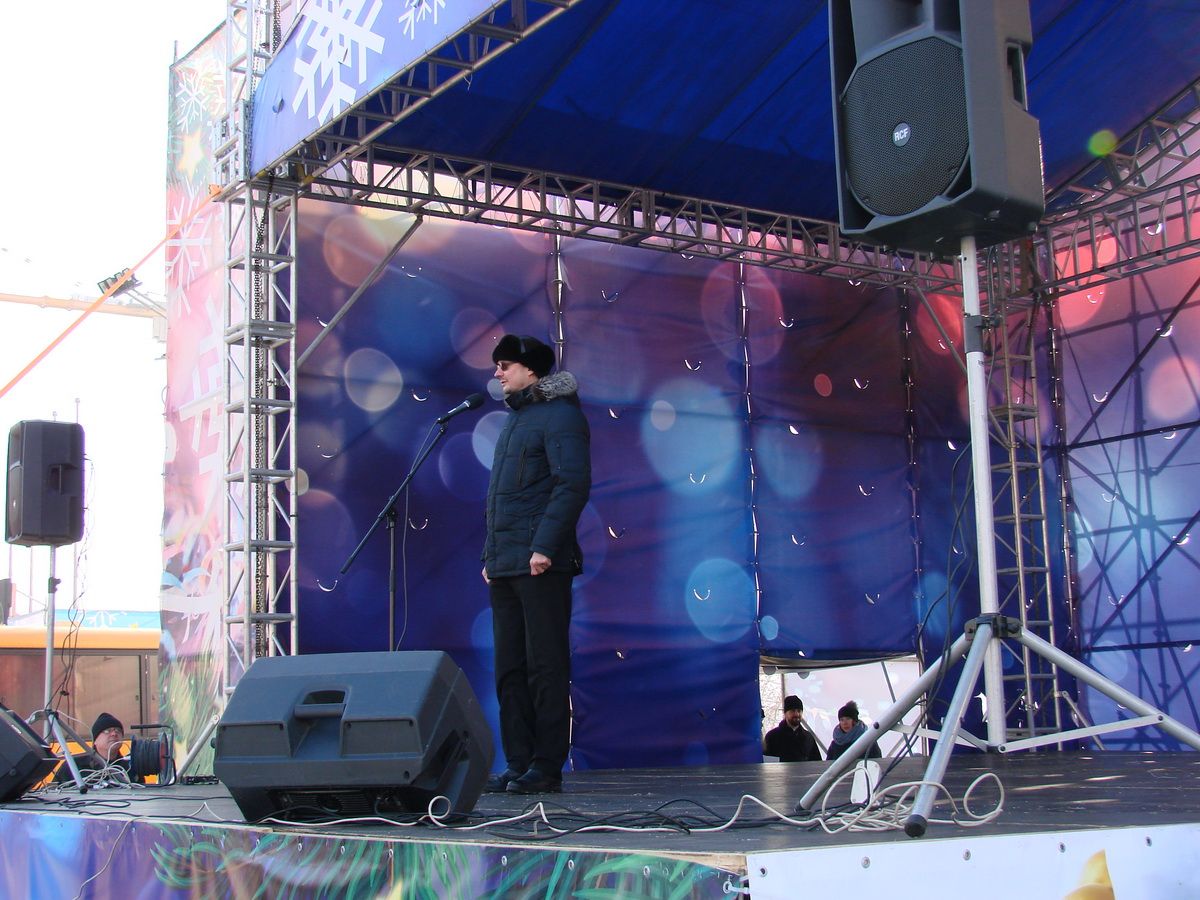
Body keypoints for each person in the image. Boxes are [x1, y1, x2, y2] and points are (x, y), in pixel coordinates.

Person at [482, 334, 591, 795]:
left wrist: (544, 546)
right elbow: (502, 498)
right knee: (509, 666)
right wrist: (490, 556)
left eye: (505, 365)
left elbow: (572, 485)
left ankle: (546, 766)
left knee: (544, 665)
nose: (498, 373)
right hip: (506, 562)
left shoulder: (561, 416)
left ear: (531, 369)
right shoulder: (515, 420)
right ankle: (518, 761)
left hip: (541, 562)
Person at [52, 712, 142, 784]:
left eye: (118, 730)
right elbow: (53, 792)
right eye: (107, 731)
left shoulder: (131, 766)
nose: (114, 734)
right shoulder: (73, 765)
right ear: (95, 740)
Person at [763, 695, 823, 762]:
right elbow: (767, 763)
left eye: (799, 711)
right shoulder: (772, 737)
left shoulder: (808, 737)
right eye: (793, 711)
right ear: (785, 713)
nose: (796, 714)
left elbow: (817, 763)